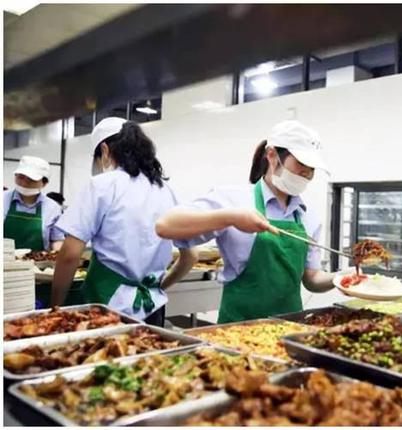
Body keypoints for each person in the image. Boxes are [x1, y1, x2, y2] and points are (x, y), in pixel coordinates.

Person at [156, 120, 339, 323]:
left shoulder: (308, 216)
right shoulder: (233, 199)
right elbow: (166, 225)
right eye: (301, 164)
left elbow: (312, 279)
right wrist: (231, 217)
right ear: (272, 156)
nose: (307, 173)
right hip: (237, 330)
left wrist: (342, 279)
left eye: (312, 168)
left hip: (290, 328)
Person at [52, 117, 198, 325]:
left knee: (107, 357)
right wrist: (159, 287)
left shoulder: (102, 185)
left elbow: (70, 254)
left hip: (107, 305)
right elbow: (191, 256)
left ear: (104, 150)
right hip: (152, 307)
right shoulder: (166, 191)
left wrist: (55, 307)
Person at [3, 156, 64, 251]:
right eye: (21, 177)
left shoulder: (52, 208)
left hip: (38, 263)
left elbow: (56, 240)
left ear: (44, 183)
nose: (24, 183)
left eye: (31, 179)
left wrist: (57, 253)